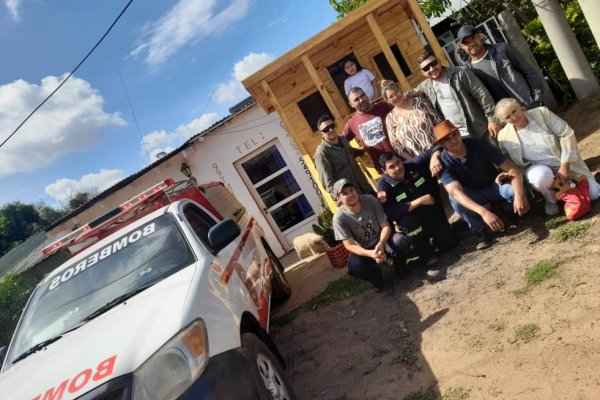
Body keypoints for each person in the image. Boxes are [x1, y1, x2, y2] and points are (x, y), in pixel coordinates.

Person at [434, 120, 530, 250]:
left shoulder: (479, 144)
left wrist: (519, 195)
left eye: (455, 135)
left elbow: (513, 169)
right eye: (447, 139)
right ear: (441, 144)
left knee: (513, 188)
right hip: (473, 194)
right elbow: (455, 192)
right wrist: (483, 212)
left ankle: (513, 212)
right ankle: (479, 231)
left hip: (494, 185)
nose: (453, 140)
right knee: (455, 200)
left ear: (459, 133)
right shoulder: (443, 162)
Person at [495, 98, 600, 215]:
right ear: (503, 121)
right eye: (508, 117)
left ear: (520, 107)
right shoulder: (503, 136)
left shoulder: (541, 113)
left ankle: (565, 194)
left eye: (514, 111)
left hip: (564, 162)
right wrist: (506, 173)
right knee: (540, 176)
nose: (513, 117)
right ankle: (551, 199)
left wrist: (565, 166)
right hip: (537, 169)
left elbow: (566, 133)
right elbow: (508, 162)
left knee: (594, 194)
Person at [377, 152, 456, 266]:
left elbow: (435, 148)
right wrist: (418, 202)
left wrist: (434, 157)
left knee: (449, 244)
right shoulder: (382, 187)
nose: (398, 168)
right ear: (384, 170)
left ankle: (436, 237)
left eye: (398, 162)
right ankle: (425, 252)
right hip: (410, 219)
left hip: (428, 211)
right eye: (391, 167)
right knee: (408, 222)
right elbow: (389, 211)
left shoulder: (412, 164)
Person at [332, 179, 411, 289]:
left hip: (383, 241)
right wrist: (371, 254)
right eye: (345, 193)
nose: (350, 194)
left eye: (351, 190)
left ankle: (399, 266)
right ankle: (377, 279)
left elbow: (386, 225)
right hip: (364, 250)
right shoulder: (339, 218)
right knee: (354, 267)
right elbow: (349, 245)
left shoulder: (370, 200)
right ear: (338, 198)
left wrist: (381, 243)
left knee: (401, 241)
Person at [416, 50, 501, 139]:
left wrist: (492, 120)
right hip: (456, 137)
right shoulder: (425, 87)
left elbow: (482, 95)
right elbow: (405, 96)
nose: (431, 69)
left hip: (481, 130)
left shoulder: (460, 73)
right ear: (423, 73)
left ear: (439, 61)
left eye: (433, 63)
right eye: (426, 68)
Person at [458, 25, 544, 109]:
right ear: (462, 46)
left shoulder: (503, 50)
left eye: (473, 38)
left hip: (528, 105)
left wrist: (537, 99)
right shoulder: (469, 71)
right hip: (505, 118)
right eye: (466, 42)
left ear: (479, 36)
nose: (472, 43)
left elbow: (529, 72)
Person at [314, 115, 373, 199]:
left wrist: (362, 149)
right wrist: (341, 199)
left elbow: (350, 153)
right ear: (321, 133)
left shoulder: (343, 140)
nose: (330, 130)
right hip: (350, 197)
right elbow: (327, 182)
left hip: (365, 188)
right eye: (326, 129)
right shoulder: (322, 153)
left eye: (332, 126)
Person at [381, 80, 442, 159]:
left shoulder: (419, 102)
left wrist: (437, 151)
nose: (395, 97)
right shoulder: (390, 118)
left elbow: (438, 122)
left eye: (396, 92)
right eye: (391, 96)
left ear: (401, 90)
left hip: (438, 151)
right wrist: (414, 162)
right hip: (419, 161)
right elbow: (397, 146)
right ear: (387, 101)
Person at [342, 87, 395, 171]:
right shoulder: (351, 123)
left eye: (362, 95)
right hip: (383, 168)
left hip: (400, 158)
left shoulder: (383, 106)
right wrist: (357, 152)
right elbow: (341, 142)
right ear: (351, 104)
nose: (361, 100)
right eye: (356, 99)